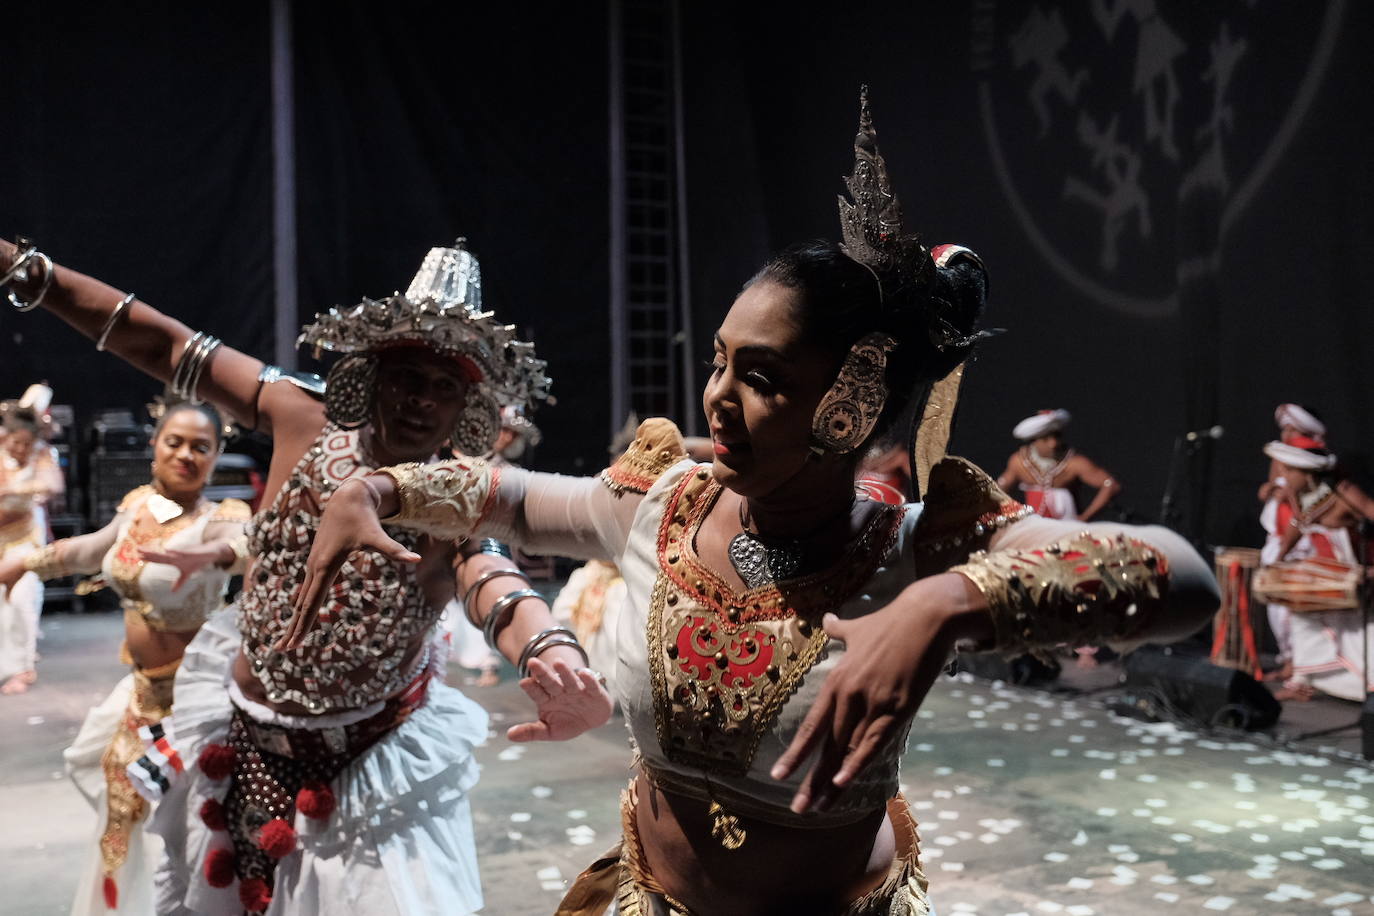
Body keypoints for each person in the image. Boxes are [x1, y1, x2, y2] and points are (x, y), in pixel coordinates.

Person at [286, 91, 1219, 915]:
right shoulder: (663, 502)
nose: (717, 400)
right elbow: (520, 499)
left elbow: (1184, 579)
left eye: (763, 376)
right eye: (719, 362)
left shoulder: (911, 548)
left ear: (851, 399)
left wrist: (947, 604)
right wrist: (377, 486)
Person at [0, 236, 611, 916]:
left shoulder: (454, 497)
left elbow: (492, 581)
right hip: (238, 742)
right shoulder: (298, 414)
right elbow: (166, 346)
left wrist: (552, 652)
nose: (420, 402)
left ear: (468, 405)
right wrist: (33, 274)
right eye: (407, 375)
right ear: (371, 372)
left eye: (446, 387)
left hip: (364, 776)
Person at [0, 401, 250, 915]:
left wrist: (210, 556)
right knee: (116, 807)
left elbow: (241, 545)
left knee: (193, 834)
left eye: (200, 447)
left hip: (195, 703)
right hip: (141, 692)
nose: (185, 455)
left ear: (216, 456)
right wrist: (25, 562)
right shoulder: (145, 506)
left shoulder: (220, 518)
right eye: (174, 442)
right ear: (155, 446)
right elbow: (92, 550)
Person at [1260, 436, 1374, 702]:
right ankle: (1303, 681)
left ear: (1307, 471)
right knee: (1301, 613)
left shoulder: (1343, 491)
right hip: (1330, 579)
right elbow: (1298, 527)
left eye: (1288, 470)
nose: (1282, 476)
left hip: (1360, 577)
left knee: (1364, 636)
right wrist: (1279, 560)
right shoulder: (1302, 498)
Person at [0, 387, 65, 694]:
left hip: (26, 539)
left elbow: (53, 484)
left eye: (27, 444)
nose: (20, 449)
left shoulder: (41, 454)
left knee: (23, 597)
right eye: (16, 443)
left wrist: (13, 491)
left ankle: (24, 669)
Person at [1257, 403, 1327, 676]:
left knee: (1297, 609)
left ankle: (1303, 668)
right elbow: (1267, 492)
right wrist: (1273, 489)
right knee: (1277, 608)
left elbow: (1309, 511)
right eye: (1284, 429)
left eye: (1292, 428)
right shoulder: (1280, 457)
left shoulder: (1315, 460)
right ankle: (1289, 661)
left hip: (1305, 540)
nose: (1286, 434)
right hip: (1280, 533)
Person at [996, 409, 1121, 521]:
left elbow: (1110, 484)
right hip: (1034, 528)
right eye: (1046, 439)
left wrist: (1084, 518)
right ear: (1034, 441)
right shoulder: (1019, 462)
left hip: (1068, 528)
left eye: (1057, 437)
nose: (1053, 444)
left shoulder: (1074, 463)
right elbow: (999, 488)